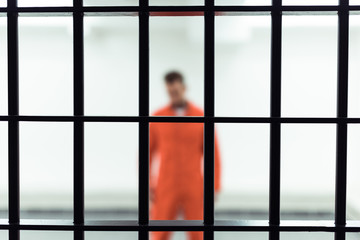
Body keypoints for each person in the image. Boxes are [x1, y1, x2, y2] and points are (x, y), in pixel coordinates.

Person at [149, 71, 221, 240]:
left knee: (198, 233)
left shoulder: (201, 116)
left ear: (184, 87)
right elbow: (146, 153)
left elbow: (213, 155)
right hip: (165, 184)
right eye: (169, 91)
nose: (173, 94)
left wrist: (214, 185)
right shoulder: (158, 117)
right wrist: (147, 182)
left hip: (194, 185)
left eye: (176, 90)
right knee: (160, 233)